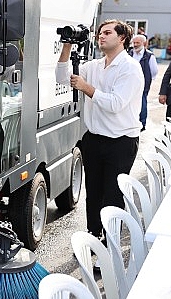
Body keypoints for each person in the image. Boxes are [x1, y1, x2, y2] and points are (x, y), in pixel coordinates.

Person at [56, 19, 143, 241]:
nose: (100, 36)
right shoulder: (93, 66)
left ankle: (110, 241)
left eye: (107, 33)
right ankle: (94, 236)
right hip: (94, 139)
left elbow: (115, 104)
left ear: (122, 38)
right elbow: (62, 78)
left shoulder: (130, 68)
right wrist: (67, 46)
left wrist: (85, 87)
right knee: (93, 193)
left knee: (112, 195)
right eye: (99, 33)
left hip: (121, 141)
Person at [128, 34, 158, 130]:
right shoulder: (130, 53)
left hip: (143, 84)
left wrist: (148, 80)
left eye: (138, 42)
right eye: (134, 42)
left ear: (143, 43)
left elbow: (154, 71)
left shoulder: (149, 56)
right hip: (129, 83)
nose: (135, 45)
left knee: (142, 103)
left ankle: (142, 123)